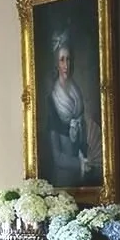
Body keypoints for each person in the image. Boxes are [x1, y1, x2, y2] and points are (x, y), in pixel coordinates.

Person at [44, 30, 102, 187]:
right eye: (62, 60)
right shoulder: (52, 101)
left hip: (83, 175)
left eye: (68, 59)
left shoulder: (76, 91)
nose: (66, 65)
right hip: (65, 179)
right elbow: (57, 156)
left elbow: (85, 137)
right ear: (56, 63)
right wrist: (81, 163)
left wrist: (87, 156)